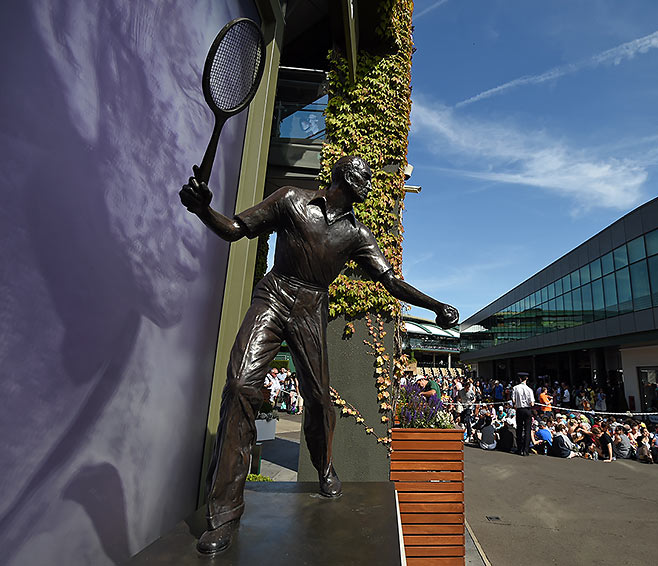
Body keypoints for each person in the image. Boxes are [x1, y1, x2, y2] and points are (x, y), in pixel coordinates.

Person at [180, 155, 459, 553]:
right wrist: (203, 209)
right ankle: (223, 513)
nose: (368, 184)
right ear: (345, 176)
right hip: (274, 296)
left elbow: (391, 281)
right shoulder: (291, 199)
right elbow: (236, 228)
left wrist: (435, 306)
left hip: (312, 307)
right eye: (363, 177)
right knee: (241, 385)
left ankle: (324, 465)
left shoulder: (358, 234)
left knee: (318, 399)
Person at [512, 375, 535, 456]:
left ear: (520, 379)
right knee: (527, 430)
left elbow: (513, 400)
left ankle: (519, 449)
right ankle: (526, 450)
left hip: (519, 409)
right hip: (527, 410)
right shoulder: (529, 389)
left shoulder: (515, 388)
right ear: (527, 379)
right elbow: (532, 403)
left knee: (519, 429)